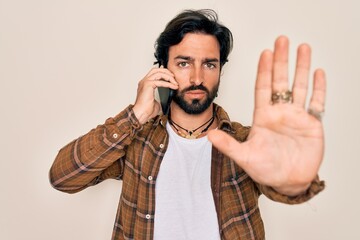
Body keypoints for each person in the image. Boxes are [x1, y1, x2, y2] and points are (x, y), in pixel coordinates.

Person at [49, 9, 326, 240]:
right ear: (162, 69)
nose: (197, 77)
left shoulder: (245, 143)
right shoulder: (137, 141)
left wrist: (294, 181)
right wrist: (134, 116)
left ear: (220, 70)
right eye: (183, 63)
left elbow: (284, 181)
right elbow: (62, 177)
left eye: (209, 64)